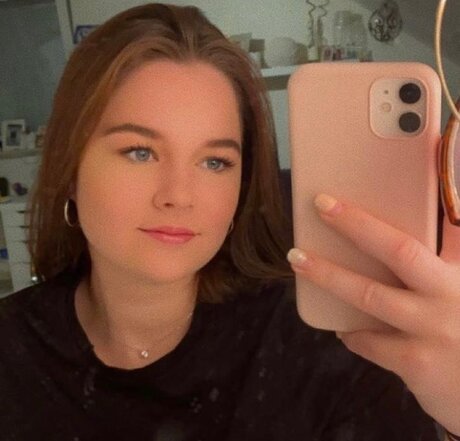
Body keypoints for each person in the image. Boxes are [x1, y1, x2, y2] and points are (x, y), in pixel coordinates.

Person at [0, 3, 458, 440]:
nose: (178, 196)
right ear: (71, 171)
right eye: (140, 152)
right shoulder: (12, 350)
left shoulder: (324, 345)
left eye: (215, 162)